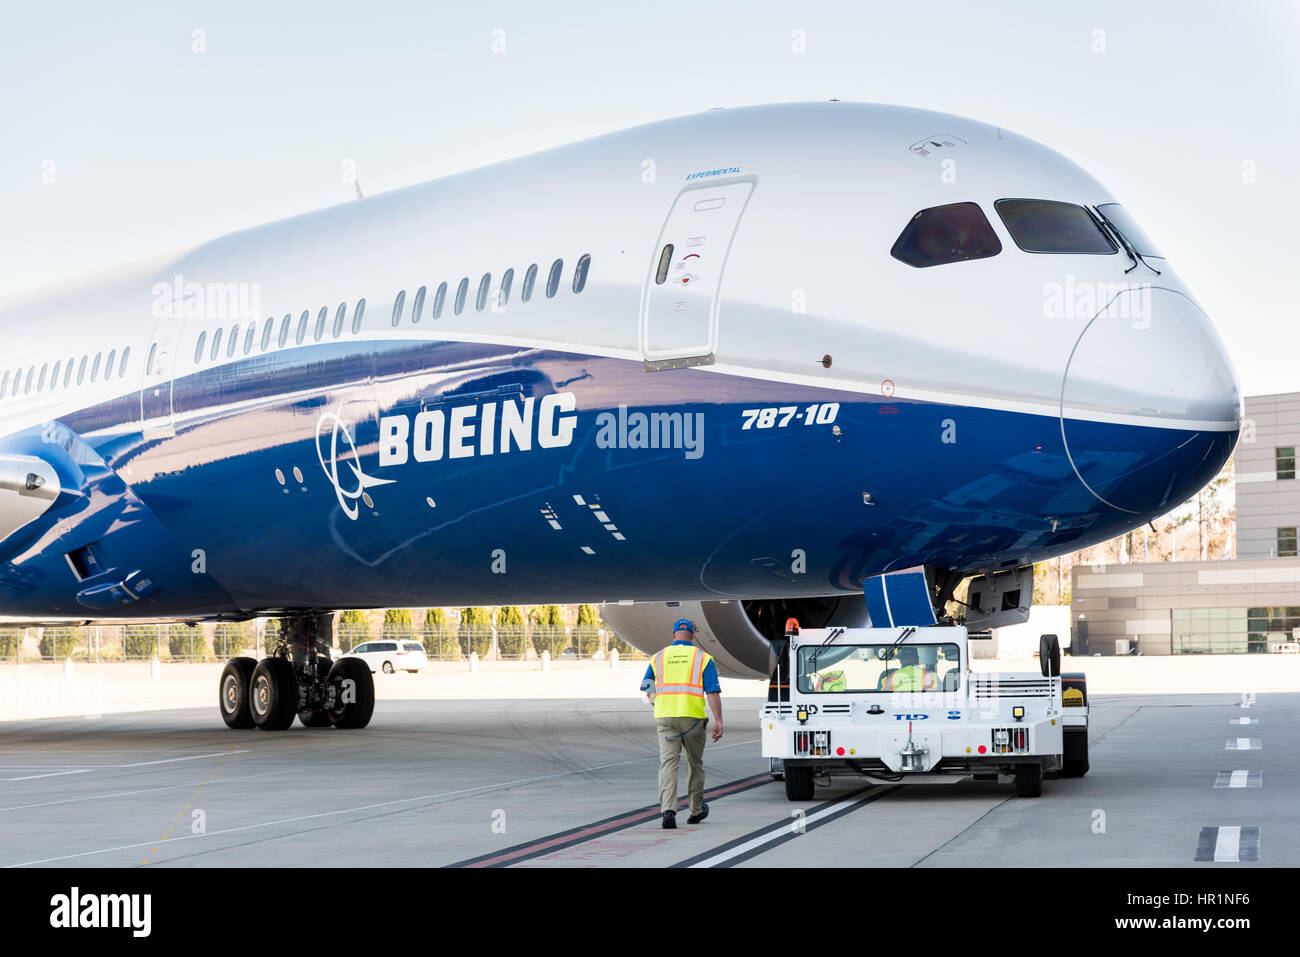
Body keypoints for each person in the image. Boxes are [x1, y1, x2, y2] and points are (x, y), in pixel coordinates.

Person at [641, 618, 723, 829]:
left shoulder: (658, 657)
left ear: (673, 635)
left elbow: (648, 689)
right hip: (692, 718)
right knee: (694, 764)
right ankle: (695, 810)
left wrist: (657, 704)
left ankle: (668, 810)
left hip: (666, 718)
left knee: (668, 764)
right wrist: (719, 721)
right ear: (693, 636)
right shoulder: (703, 658)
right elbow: (712, 691)